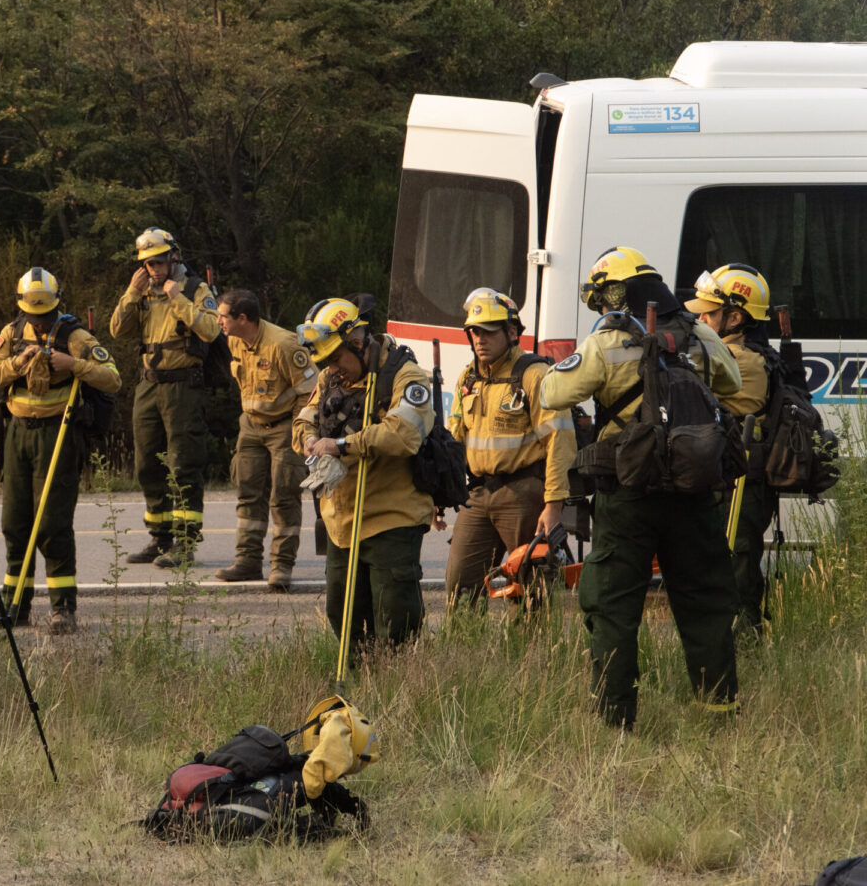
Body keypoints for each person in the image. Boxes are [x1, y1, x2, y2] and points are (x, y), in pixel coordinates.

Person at [540, 245, 742, 729]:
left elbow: (552, 392)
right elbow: (732, 383)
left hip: (628, 493)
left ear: (617, 293)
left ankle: (615, 720)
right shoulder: (701, 335)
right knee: (706, 601)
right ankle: (719, 713)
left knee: (613, 606)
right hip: (693, 493)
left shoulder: (608, 343)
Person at [0, 268, 122, 633]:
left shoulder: (74, 335)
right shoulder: (11, 334)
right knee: (14, 524)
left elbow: (113, 378)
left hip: (57, 434)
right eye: (32, 314)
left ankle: (63, 609)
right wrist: (18, 363)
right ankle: (15, 608)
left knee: (53, 525)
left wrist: (74, 365)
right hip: (17, 434)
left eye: (44, 314)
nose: (38, 321)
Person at [293, 296, 434, 653]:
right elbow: (303, 420)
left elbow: (404, 434)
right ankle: (358, 693)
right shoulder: (328, 378)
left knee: (396, 625)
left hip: (390, 521)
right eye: (325, 362)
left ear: (358, 342)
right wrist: (310, 440)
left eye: (336, 359)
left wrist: (340, 445)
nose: (331, 369)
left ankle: (400, 694)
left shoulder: (405, 376)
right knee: (343, 622)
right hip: (341, 527)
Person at [442, 288, 575, 612]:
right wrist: (440, 492)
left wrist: (554, 505)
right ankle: (461, 654)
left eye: (488, 331)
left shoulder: (535, 375)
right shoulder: (468, 377)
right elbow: (453, 437)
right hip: (477, 494)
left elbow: (560, 442)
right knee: (459, 586)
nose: (479, 339)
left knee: (531, 587)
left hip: (523, 494)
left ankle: (532, 656)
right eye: (474, 332)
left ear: (512, 332)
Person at [109, 227, 221, 568]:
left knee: (183, 463)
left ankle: (185, 543)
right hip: (148, 385)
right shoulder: (142, 292)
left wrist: (178, 299)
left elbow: (212, 330)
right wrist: (131, 291)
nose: (153, 269)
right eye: (147, 264)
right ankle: (160, 538)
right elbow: (116, 330)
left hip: (182, 386)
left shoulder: (194, 288)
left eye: (158, 262)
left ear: (174, 257)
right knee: (146, 463)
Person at [685, 263, 777, 635]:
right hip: (731, 475)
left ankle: (745, 638)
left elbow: (691, 382)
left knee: (737, 560)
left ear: (735, 316)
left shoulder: (745, 360)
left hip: (745, 481)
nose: (700, 318)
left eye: (708, 312)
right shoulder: (729, 350)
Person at [214, 289, 317, 591]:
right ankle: (247, 562)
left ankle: (281, 567)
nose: (218, 320)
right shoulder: (234, 339)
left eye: (223, 316)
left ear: (242, 318)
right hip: (251, 426)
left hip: (284, 428)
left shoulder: (284, 345)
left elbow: (311, 394)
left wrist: (300, 431)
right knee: (248, 493)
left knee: (283, 497)